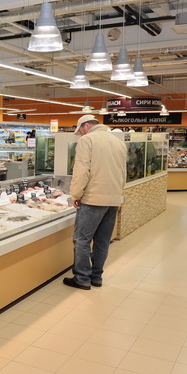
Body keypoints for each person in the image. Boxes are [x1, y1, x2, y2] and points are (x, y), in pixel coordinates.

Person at [64, 115, 127, 290]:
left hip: (93, 199)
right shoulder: (118, 142)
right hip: (113, 199)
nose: (81, 134)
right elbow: (123, 172)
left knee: (82, 240)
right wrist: (118, 194)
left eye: (80, 131)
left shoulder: (87, 140)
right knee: (102, 240)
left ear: (86, 126)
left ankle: (82, 278)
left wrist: (75, 194)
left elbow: (81, 170)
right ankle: (96, 277)